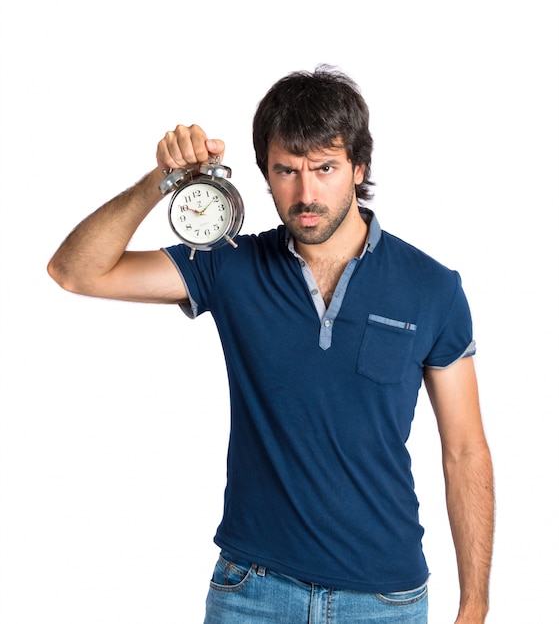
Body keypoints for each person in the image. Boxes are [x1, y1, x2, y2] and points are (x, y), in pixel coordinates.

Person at [47, 66, 494, 623]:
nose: (306, 194)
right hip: (253, 592)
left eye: (325, 168)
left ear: (359, 167)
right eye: (287, 170)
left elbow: (465, 450)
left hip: (385, 599)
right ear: (264, 173)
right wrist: (159, 180)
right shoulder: (229, 265)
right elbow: (75, 271)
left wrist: (475, 605)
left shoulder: (433, 287)